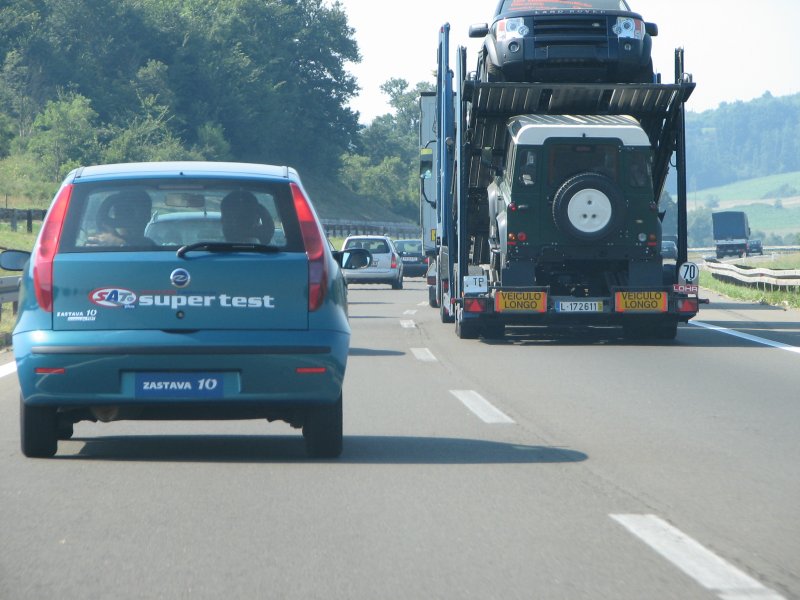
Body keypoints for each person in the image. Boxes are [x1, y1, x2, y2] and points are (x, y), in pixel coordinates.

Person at [89, 190, 154, 246]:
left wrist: (118, 242)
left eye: (129, 211)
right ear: (148, 217)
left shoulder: (96, 245)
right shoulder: (152, 247)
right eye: (121, 211)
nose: (125, 217)